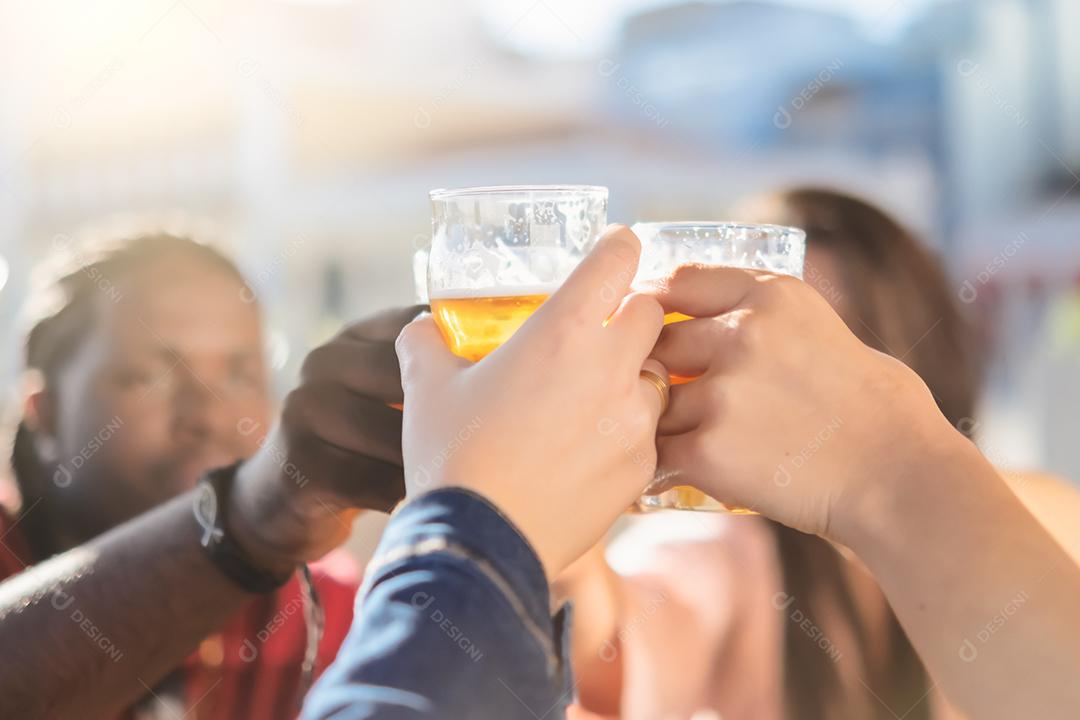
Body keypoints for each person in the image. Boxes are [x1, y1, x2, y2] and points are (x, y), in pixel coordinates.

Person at [301, 224, 1080, 720]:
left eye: (813, 339)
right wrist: (531, 535)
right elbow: (618, 638)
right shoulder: (725, 553)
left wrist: (882, 457)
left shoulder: (1026, 515)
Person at [559, 188, 983, 720]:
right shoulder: (724, 543)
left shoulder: (981, 526)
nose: (792, 376)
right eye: (755, 339)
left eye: (834, 340)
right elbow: (612, 647)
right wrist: (548, 537)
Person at [0, 234, 416, 718]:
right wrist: (241, 530)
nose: (209, 414)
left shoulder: (330, 609)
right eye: (147, 377)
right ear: (44, 413)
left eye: (240, 375)